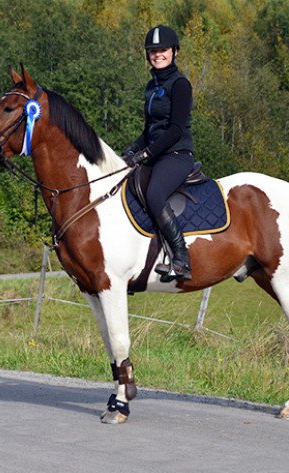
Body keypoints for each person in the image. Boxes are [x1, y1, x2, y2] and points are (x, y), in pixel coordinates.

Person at [122, 25, 194, 281]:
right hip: (154, 154)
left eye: (162, 49)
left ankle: (181, 259)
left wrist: (145, 154)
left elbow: (174, 130)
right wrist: (130, 150)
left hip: (176, 155)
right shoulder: (151, 87)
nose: (157, 54)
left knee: (154, 193)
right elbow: (149, 130)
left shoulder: (180, 84)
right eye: (152, 51)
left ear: (174, 51)